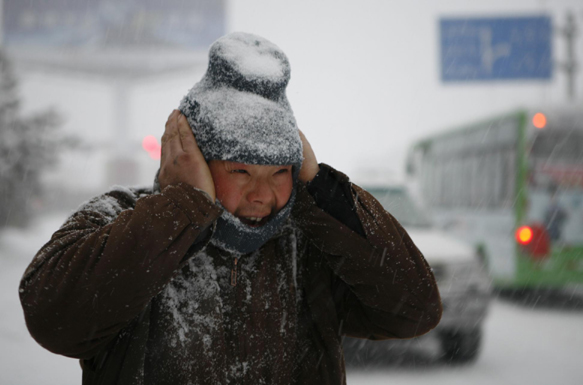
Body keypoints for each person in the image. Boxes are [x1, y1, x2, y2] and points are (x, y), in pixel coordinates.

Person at [19, 32, 441, 385]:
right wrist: (183, 208)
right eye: (240, 170)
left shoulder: (308, 241)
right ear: (195, 159)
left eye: (280, 172)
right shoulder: (118, 219)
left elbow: (414, 309)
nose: (263, 195)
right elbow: (54, 320)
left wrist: (321, 190)